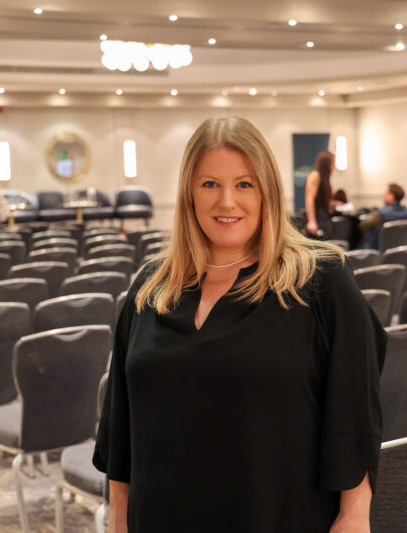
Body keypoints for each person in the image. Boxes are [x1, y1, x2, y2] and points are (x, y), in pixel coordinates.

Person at [93, 116, 385, 533]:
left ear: (267, 191)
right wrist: (119, 519)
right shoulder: (150, 286)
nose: (226, 201)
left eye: (244, 184)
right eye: (209, 184)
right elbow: (122, 426)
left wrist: (354, 515)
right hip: (160, 515)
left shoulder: (319, 279)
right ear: (188, 193)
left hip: (275, 514)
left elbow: (355, 411)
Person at [359, 183, 407, 249]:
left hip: (376, 250)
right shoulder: (406, 213)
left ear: (391, 196)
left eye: (386, 193)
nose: (383, 195)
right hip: (397, 249)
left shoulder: (381, 214)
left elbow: (362, 225)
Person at [305, 150, 334, 238]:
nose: (334, 166)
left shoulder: (323, 178)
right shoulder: (315, 175)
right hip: (318, 218)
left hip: (324, 216)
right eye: (332, 163)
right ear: (326, 163)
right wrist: (312, 221)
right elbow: (309, 199)